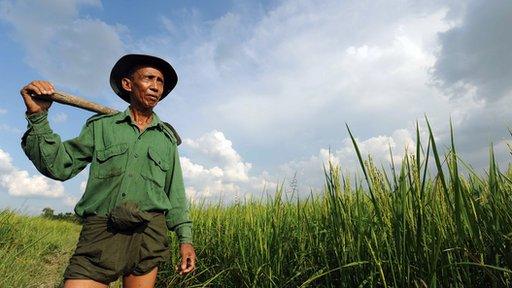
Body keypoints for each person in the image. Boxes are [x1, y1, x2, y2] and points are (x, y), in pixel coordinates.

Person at [20, 54, 196, 287]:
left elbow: (175, 193)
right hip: (102, 230)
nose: (155, 86)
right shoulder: (101, 127)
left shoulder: (166, 139)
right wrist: (38, 116)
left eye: (160, 82)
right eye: (148, 78)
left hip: (148, 233)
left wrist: (186, 239)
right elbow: (60, 166)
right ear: (127, 84)